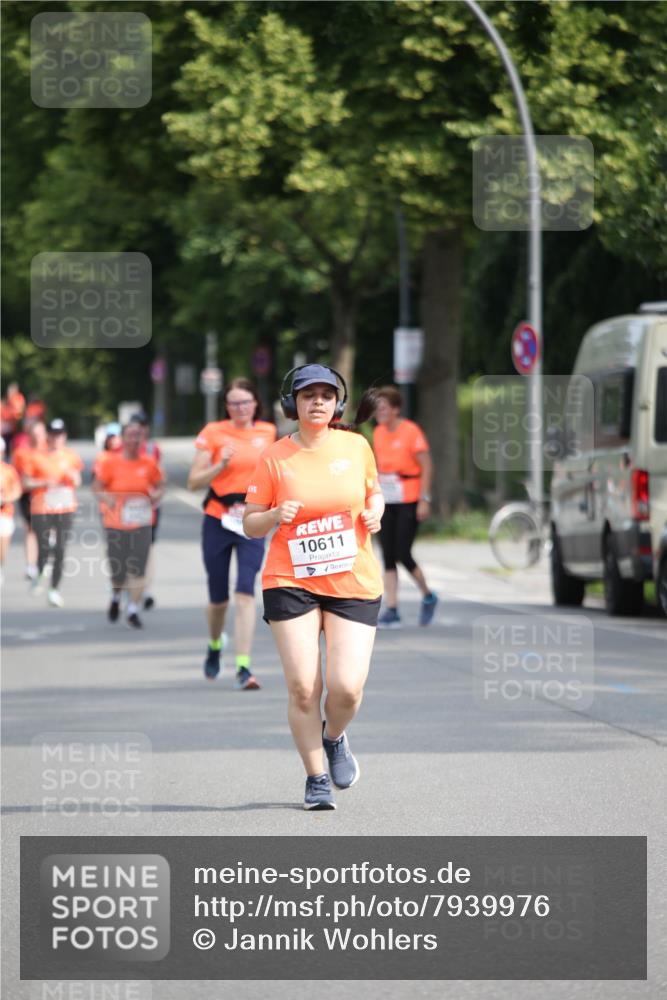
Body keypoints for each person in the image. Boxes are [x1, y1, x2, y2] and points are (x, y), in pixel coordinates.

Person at [243, 364, 384, 810]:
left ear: (337, 403)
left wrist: (375, 512)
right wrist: (272, 516)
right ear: (293, 404)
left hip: (352, 580)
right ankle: (316, 778)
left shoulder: (356, 446)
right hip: (290, 580)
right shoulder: (274, 456)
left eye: (326, 394)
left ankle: (334, 736)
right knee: (304, 686)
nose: (317, 401)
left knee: (346, 688)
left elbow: (374, 491)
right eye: (308, 395)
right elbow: (249, 523)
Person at [188, 378, 276, 687]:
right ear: (226, 406)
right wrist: (219, 465)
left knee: (245, 591)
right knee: (218, 600)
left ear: (255, 404)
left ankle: (243, 667)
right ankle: (214, 645)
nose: (240, 408)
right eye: (233, 403)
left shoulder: (268, 433)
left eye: (245, 402)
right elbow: (193, 482)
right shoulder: (213, 433)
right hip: (218, 517)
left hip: (253, 517)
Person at [372, 385, 438, 628]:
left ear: (396, 409)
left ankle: (428, 595)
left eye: (384, 407)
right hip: (386, 498)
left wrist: (425, 498)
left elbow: (427, 465)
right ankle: (392, 609)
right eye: (378, 408)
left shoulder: (411, 431)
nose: (379, 412)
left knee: (403, 552)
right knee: (388, 555)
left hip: (409, 498)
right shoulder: (378, 433)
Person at [93, 421, 165, 628]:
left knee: (138, 568)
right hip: (116, 522)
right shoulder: (110, 463)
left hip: (142, 522)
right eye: (130, 435)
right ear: (122, 439)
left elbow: (160, 485)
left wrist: (155, 497)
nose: (134, 439)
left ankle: (132, 609)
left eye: (137, 436)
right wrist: (108, 500)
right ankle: (116, 597)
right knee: (119, 570)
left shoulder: (149, 463)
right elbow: (97, 487)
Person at [21, 418, 83, 607]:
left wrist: (73, 477)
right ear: (48, 436)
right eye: (53, 434)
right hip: (42, 507)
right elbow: (26, 482)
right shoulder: (36, 456)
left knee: (61, 549)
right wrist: (44, 482)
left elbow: (78, 480)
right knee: (44, 547)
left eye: (60, 434)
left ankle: (54, 589)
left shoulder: (71, 456)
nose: (57, 438)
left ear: (64, 436)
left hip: (65, 506)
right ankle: (40, 571)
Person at [129, 412, 161, 610]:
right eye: (135, 426)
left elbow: (158, 478)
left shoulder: (152, 449)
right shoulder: (119, 448)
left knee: (146, 548)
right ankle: (126, 585)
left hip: (147, 506)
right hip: (123, 506)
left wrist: (155, 493)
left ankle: (144, 589)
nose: (139, 430)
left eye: (142, 426)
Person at [12, 418, 48, 580]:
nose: (38, 437)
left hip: (48, 496)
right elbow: (14, 476)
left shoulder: (50, 451)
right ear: (29, 435)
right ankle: (31, 565)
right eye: (34, 434)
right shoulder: (21, 453)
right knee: (31, 528)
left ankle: (45, 559)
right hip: (29, 495)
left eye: (40, 433)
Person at [0, 438, 22, 583]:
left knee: (2, 546)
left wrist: (5, 499)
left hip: (4, 513)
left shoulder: (8, 470)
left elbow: (17, 490)